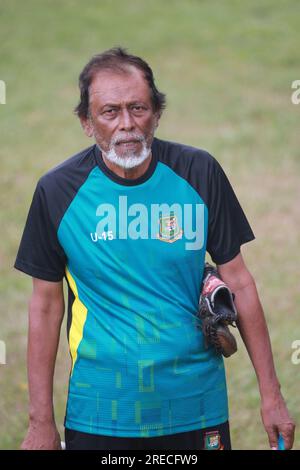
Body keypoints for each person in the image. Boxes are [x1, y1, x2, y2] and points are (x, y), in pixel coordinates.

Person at [14, 47, 295, 451]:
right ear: (86, 123)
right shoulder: (57, 192)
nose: (127, 124)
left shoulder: (200, 173)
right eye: (110, 112)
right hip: (100, 410)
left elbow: (240, 283)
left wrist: (272, 396)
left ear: (157, 113)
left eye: (138, 108)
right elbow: (44, 305)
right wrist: (41, 422)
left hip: (196, 406)